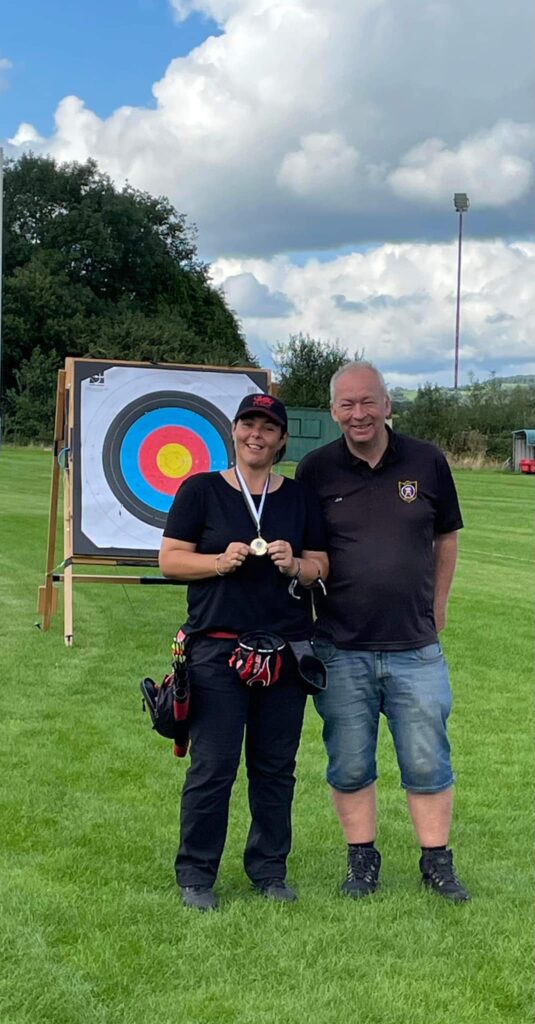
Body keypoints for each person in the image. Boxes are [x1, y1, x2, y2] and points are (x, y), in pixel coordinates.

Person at [296, 361, 470, 902]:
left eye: (368, 401)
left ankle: (436, 863)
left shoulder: (427, 460)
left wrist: (438, 606)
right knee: (349, 761)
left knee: (427, 759)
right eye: (347, 404)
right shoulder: (316, 470)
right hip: (340, 645)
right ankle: (362, 860)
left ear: (387, 404)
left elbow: (447, 538)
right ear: (333, 412)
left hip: (415, 647)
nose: (359, 413)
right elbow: (308, 552)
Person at [160, 393, 328, 911]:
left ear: (282, 439)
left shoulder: (299, 497)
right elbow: (170, 561)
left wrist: (294, 564)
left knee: (276, 767)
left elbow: (322, 563)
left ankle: (269, 870)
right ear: (234, 430)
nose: (257, 434)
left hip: (285, 650)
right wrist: (217, 562)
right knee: (213, 766)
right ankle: (196, 875)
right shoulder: (202, 490)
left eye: (268, 427)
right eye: (248, 423)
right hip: (216, 649)